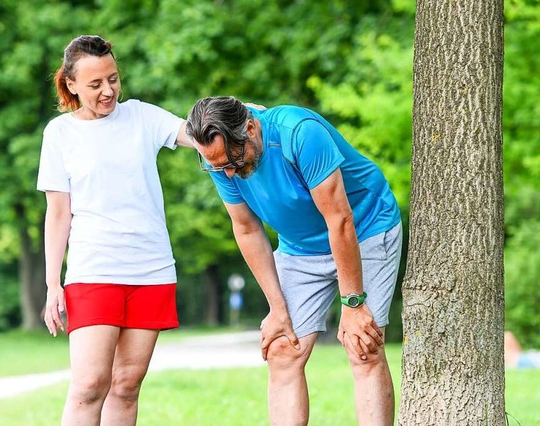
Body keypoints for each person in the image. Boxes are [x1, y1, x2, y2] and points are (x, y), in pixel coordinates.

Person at [186, 96, 402, 426]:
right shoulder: (219, 158)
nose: (228, 172)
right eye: (216, 165)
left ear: (250, 128)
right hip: (300, 248)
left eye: (233, 159)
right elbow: (246, 228)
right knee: (282, 349)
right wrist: (277, 309)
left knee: (363, 346)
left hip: (365, 227)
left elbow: (340, 220)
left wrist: (354, 305)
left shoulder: (299, 133)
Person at [36, 35, 193, 425]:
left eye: (113, 79)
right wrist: (53, 283)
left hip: (151, 270)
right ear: (70, 84)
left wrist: (234, 119)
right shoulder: (59, 134)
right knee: (89, 385)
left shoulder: (142, 116)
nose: (108, 91)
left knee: (126, 385)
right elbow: (58, 213)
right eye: (95, 84)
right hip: (94, 270)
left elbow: (191, 133)